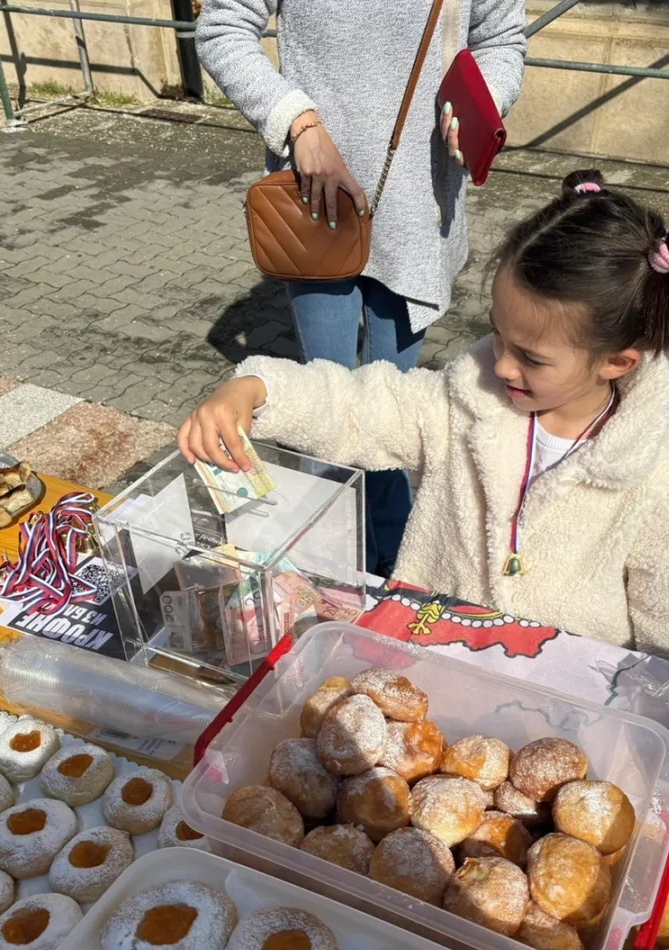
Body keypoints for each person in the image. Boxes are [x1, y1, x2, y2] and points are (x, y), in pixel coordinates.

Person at [178, 170, 669, 667]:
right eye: (498, 333)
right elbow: (357, 405)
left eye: (531, 357)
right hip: (429, 663)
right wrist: (257, 389)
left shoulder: (667, 476)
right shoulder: (462, 404)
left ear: (616, 361)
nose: (502, 362)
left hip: (568, 703)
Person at [195, 0, 526, 576]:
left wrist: (483, 101)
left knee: (390, 417)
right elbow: (222, 27)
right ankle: (341, 571)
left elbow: (501, 38)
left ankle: (394, 572)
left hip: (418, 207)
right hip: (316, 203)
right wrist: (297, 123)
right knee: (327, 416)